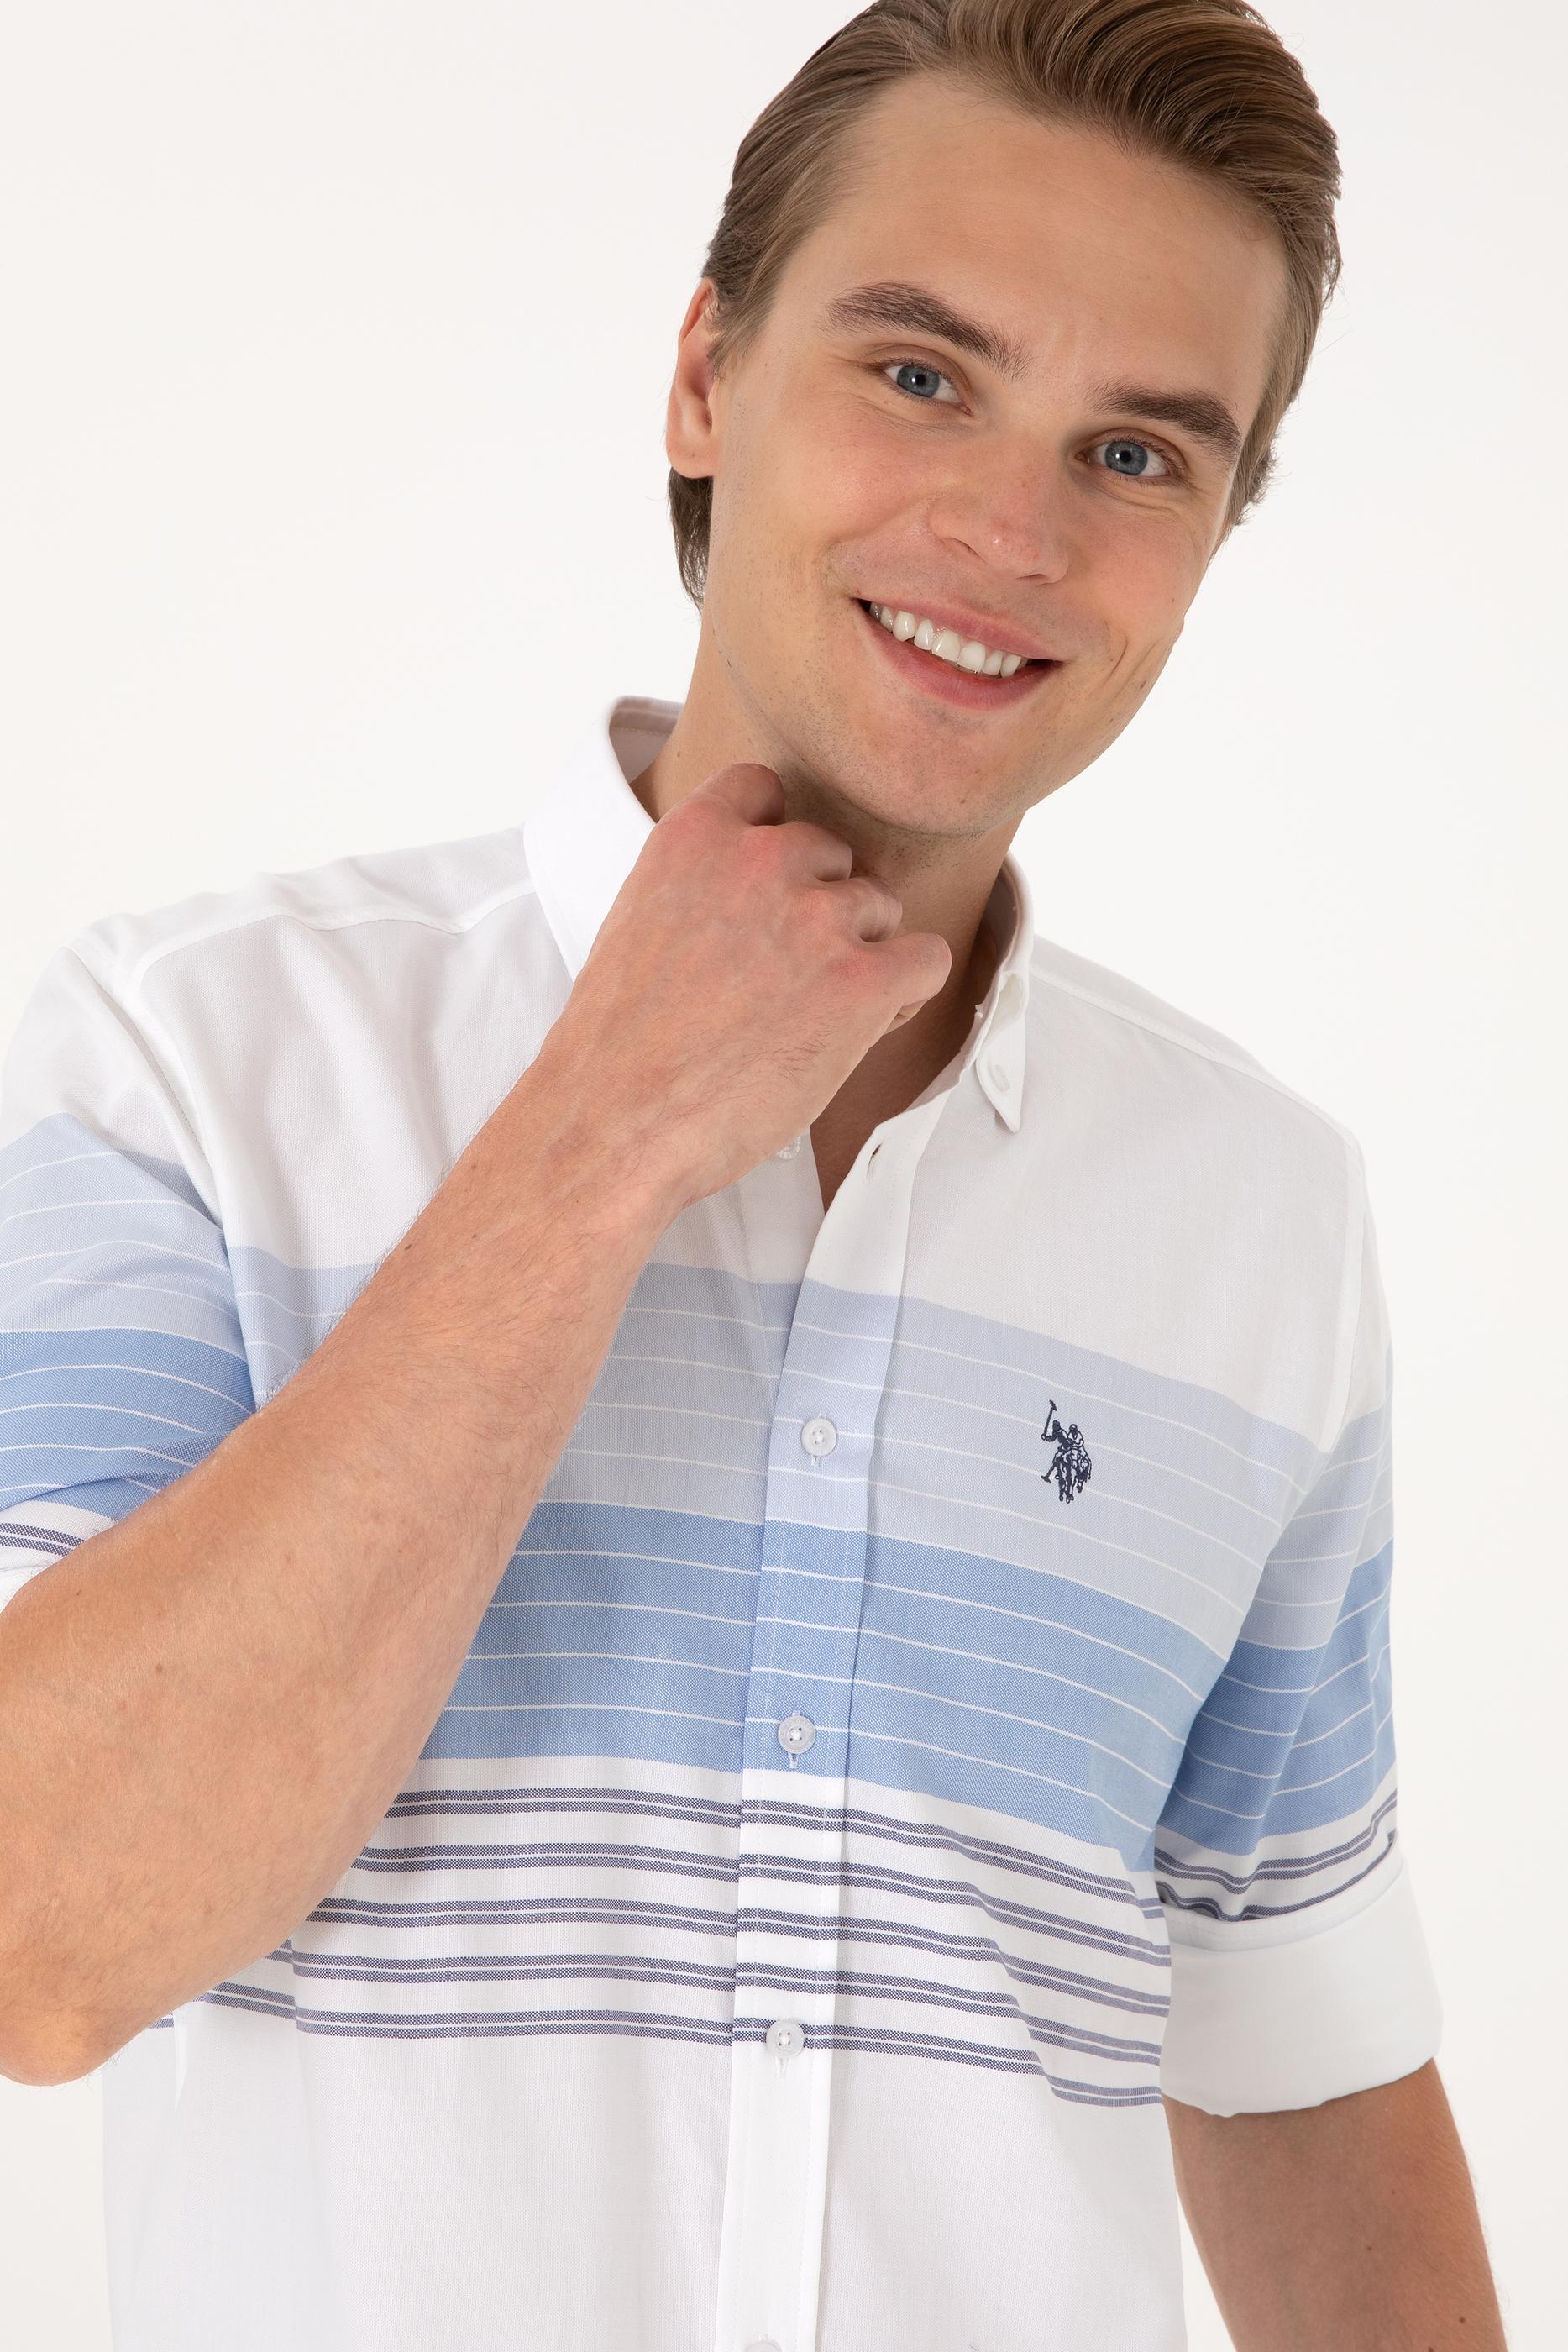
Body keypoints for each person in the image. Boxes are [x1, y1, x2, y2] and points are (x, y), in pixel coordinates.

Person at [0, 3, 1508, 2346]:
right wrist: (598, 1139)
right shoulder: (196, 1055)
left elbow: (1296, 2059)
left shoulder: (1263, 1216)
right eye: (919, 374)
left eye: (1135, 452)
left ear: (1215, 537)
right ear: (706, 373)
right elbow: (45, 1934)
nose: (1011, 534)